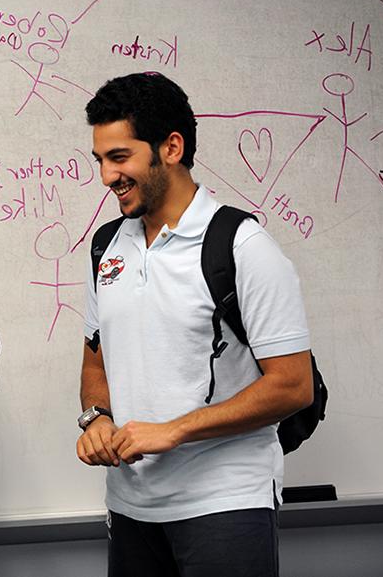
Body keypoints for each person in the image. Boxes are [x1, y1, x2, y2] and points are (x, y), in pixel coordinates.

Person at [75, 73, 313, 577]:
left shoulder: (243, 246)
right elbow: (96, 356)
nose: (105, 176)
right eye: (99, 160)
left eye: (119, 157)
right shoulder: (105, 248)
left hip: (225, 502)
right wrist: (96, 418)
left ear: (171, 147)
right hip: (131, 506)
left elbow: (293, 386)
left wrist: (175, 430)